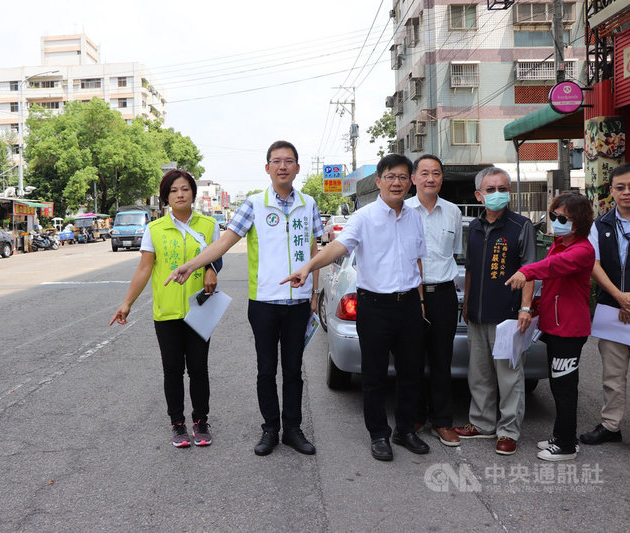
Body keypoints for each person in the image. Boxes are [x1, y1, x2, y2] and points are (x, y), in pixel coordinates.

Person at [165, 140, 323, 457]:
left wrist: (315, 294)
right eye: (276, 161)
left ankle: (293, 429)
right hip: (264, 303)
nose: (282, 166)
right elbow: (224, 242)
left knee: (293, 370)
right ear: (267, 168)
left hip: (298, 304)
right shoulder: (254, 204)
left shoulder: (309, 204)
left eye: (288, 161)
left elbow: (315, 251)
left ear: (297, 167)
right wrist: (193, 264)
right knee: (266, 369)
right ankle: (269, 430)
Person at [283, 153, 430, 462]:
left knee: (411, 373)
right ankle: (379, 435)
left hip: (408, 308)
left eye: (403, 177)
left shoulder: (415, 216)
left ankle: (405, 430)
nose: (397, 182)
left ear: (411, 182)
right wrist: (308, 267)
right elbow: (338, 247)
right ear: (378, 182)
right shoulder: (364, 218)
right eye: (390, 176)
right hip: (375, 305)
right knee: (374, 374)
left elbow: (417, 262)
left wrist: (420, 302)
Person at [109, 169, 221, 448]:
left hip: (201, 309)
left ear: (193, 193)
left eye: (184, 189)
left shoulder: (209, 224)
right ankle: (178, 424)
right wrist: (127, 303)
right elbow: (144, 268)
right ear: (166, 197)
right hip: (167, 311)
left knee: (198, 368)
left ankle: (200, 420)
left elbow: (217, 257)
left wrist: (210, 267)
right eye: (173, 190)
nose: (180, 194)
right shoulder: (154, 229)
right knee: (172, 369)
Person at [505, 193, 594, 461]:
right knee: (558, 385)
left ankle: (566, 444)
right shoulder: (560, 242)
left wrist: (526, 271)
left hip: (569, 328)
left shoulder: (582, 250)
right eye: (554, 216)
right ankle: (562, 436)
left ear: (578, 220)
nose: (557, 221)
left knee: (565, 388)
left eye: (563, 217)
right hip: (554, 325)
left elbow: (553, 266)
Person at [453, 167, 536, 456]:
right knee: (479, 375)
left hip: (508, 316)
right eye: (490, 190)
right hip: (476, 313)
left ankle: (508, 431)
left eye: (502, 188)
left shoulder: (520, 225)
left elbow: (530, 270)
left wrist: (525, 307)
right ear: (479, 195)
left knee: (509, 376)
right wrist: (466, 303)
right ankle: (481, 423)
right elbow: (471, 268)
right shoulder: (474, 227)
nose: (497, 194)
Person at [580, 162, 630, 467]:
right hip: (612, 308)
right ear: (611, 191)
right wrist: (619, 296)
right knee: (612, 374)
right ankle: (610, 426)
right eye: (620, 187)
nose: (626, 192)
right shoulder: (601, 224)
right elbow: (592, 263)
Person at [404, 154, 463, 447]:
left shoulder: (453, 212)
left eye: (436, 173)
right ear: (413, 178)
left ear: (442, 178)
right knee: (411, 360)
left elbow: (454, 251)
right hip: (410, 295)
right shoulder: (401, 210)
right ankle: (414, 417)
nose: (431, 178)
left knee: (442, 360)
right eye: (424, 173)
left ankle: (442, 421)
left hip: (443, 294)